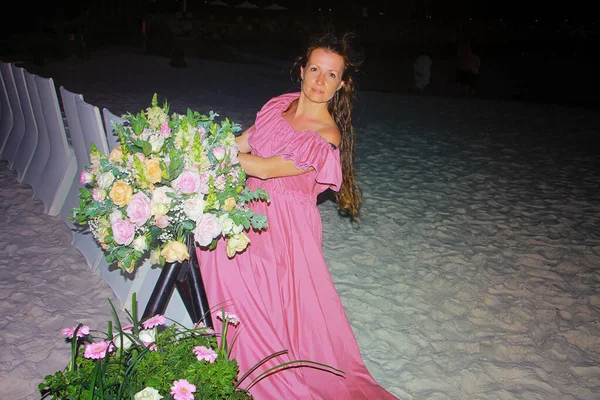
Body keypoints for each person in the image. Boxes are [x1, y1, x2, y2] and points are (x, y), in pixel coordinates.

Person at [195, 31, 398, 399]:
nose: (321, 81)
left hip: (286, 227)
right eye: (316, 70)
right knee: (234, 272)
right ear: (301, 71)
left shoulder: (327, 135)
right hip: (248, 210)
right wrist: (200, 146)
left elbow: (266, 168)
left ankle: (263, 367)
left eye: (332, 75)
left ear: (341, 85)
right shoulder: (279, 106)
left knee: (278, 301)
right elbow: (245, 142)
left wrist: (209, 158)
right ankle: (246, 356)